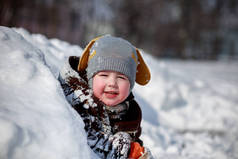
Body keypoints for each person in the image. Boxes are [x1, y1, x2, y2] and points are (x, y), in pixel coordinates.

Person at [58, 35, 154, 159]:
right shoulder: (78, 101)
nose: (112, 83)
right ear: (90, 78)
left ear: (130, 85)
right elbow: (88, 139)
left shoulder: (129, 114)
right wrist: (127, 151)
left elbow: (135, 144)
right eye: (104, 75)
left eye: (121, 77)